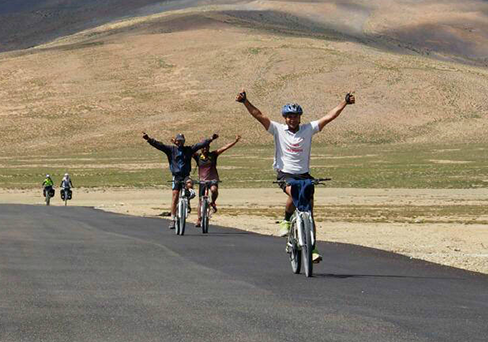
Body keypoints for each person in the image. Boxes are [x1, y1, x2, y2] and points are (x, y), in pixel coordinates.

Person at [236, 90, 355, 263]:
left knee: (310, 210)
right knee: (294, 191)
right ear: (285, 118)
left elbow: (329, 117)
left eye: (295, 116)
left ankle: (312, 248)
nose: (292, 119)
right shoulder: (278, 129)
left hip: (304, 174)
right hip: (285, 173)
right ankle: (286, 220)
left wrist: (344, 102)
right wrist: (245, 101)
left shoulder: (308, 129)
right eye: (289, 117)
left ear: (300, 118)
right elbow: (259, 115)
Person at [142, 132, 216, 229]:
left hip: (185, 175)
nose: (180, 142)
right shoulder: (171, 150)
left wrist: (211, 139)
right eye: (178, 141)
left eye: (182, 141)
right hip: (176, 176)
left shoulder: (188, 150)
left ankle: (189, 194)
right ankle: (172, 219)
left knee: (189, 183)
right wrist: (149, 139)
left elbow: (199, 145)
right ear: (176, 142)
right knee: (175, 195)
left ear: (184, 141)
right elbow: (159, 145)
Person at [192, 134, 241, 224]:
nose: (205, 149)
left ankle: (213, 202)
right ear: (201, 148)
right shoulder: (197, 156)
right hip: (202, 181)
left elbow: (224, 148)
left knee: (214, 190)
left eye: (207, 147)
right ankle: (199, 219)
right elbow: (188, 150)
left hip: (213, 179)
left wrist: (235, 141)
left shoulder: (213, 155)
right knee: (200, 200)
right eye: (203, 147)